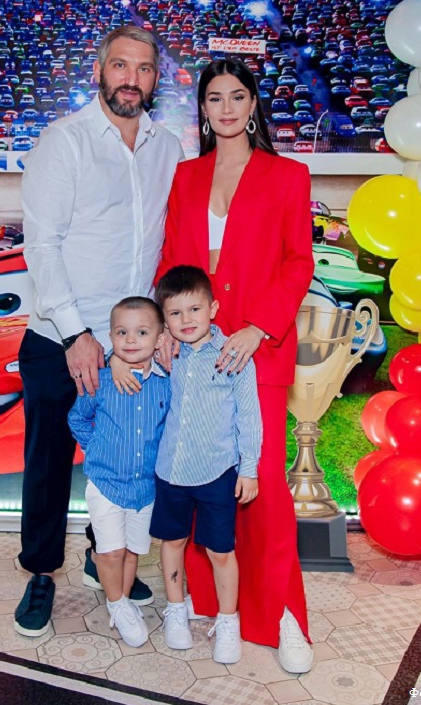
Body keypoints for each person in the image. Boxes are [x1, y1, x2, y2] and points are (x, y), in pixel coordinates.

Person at [14, 25, 184, 637]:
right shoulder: (64, 141)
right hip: (60, 336)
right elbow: (43, 245)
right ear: (99, 71)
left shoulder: (169, 147)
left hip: (133, 342)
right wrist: (75, 333)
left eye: (143, 68)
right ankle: (40, 573)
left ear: (156, 79)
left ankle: (101, 555)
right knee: (49, 461)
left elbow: (169, 240)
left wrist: (164, 323)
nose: (130, 79)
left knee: (124, 457)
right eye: (120, 66)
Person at [155, 58, 315, 673]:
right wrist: (165, 327)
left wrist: (259, 326)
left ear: (253, 105)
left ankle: (283, 615)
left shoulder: (287, 174)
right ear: (202, 108)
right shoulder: (186, 175)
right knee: (197, 476)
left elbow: (298, 262)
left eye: (237, 96)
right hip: (194, 354)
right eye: (214, 97)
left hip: (258, 349)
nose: (225, 107)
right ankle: (209, 603)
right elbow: (171, 261)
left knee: (262, 486)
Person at [151, 265, 262, 664]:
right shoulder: (167, 353)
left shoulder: (233, 354)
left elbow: (249, 416)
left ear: (212, 308)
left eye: (195, 309)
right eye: (175, 313)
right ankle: (175, 610)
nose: (186, 320)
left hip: (217, 472)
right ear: (164, 318)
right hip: (171, 471)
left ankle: (228, 621)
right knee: (172, 542)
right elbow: (128, 354)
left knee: (220, 551)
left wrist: (249, 468)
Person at [68, 297, 170, 648]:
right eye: (122, 332)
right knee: (110, 552)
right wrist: (96, 449)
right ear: (110, 337)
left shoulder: (165, 384)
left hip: (145, 489)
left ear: (159, 338)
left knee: (131, 552)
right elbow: (78, 418)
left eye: (141, 332)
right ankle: (116, 603)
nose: (131, 340)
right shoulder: (101, 381)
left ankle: (123, 602)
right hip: (106, 484)